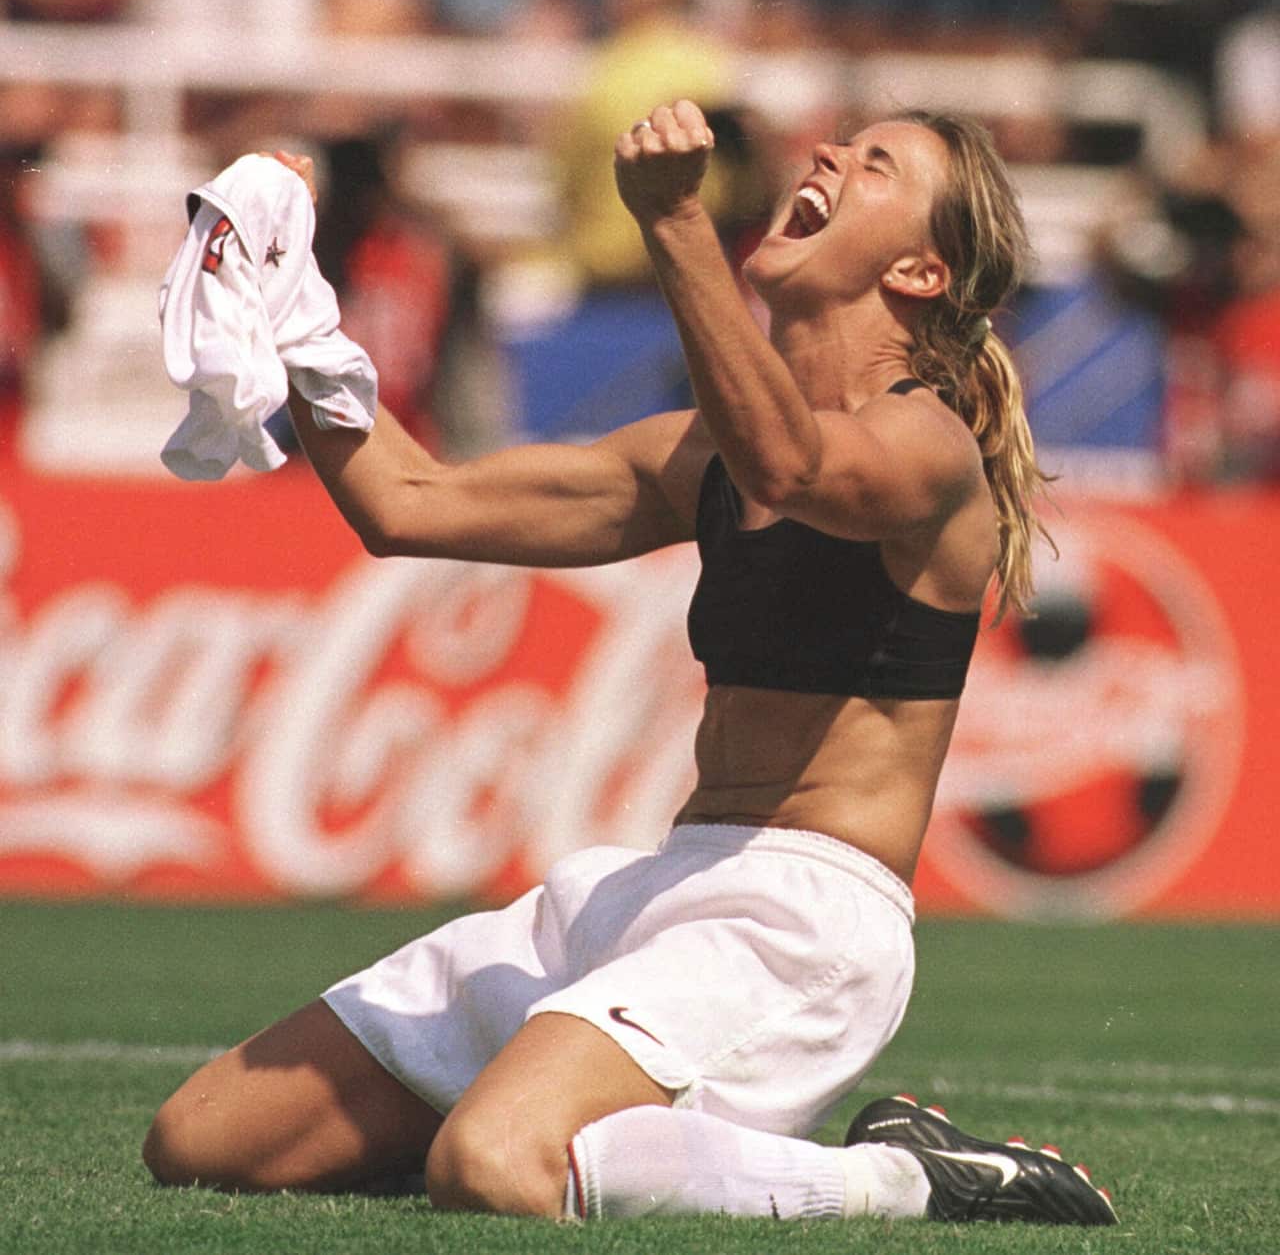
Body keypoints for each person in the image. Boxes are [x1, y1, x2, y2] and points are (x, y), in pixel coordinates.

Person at [141, 99, 1117, 1227]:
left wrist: (675, 224)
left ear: (919, 271)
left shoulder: (928, 445)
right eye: (840, 144)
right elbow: (408, 502)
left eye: (876, 164)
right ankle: (604, 1142)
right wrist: (298, 315)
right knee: (206, 1137)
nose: (829, 157)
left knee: (495, 1163)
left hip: (798, 926)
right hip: (652, 883)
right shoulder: (702, 450)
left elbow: (793, 465)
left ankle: (903, 1178)